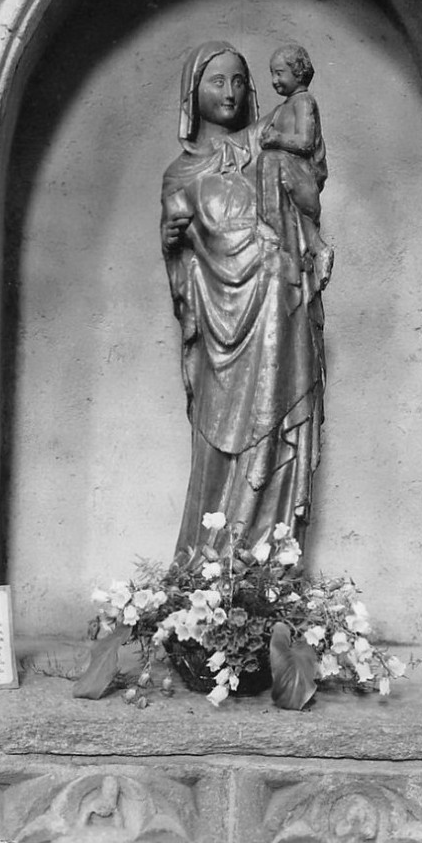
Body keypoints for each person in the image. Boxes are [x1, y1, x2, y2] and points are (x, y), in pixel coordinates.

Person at [161, 41, 329, 559]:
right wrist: (173, 241)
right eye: (217, 81)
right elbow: (181, 260)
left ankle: (264, 572)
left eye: (239, 81)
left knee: (275, 433)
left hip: (278, 309)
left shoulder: (267, 142)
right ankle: (207, 568)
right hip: (219, 328)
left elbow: (305, 189)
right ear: (194, 93)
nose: (230, 92)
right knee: (216, 447)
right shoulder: (180, 172)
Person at [258, 44, 333, 289]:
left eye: (279, 73)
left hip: (303, 180)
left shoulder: (303, 102)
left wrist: (277, 139)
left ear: (298, 72)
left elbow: (306, 141)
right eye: (272, 73)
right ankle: (315, 250)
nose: (274, 80)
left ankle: (276, 231)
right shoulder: (283, 108)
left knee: (269, 159)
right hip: (288, 181)